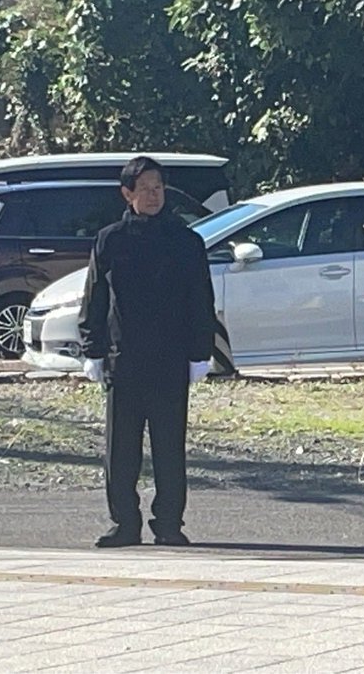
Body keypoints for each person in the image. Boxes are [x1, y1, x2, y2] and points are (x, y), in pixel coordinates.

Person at [79, 156, 217, 548]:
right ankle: (124, 523)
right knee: (120, 449)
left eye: (158, 188)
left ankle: (169, 523)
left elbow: (200, 300)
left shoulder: (187, 241)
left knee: (169, 447)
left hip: (171, 359)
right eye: (144, 189)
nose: (153, 195)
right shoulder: (111, 240)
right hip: (124, 357)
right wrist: (93, 349)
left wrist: (199, 352)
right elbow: (94, 299)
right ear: (127, 194)